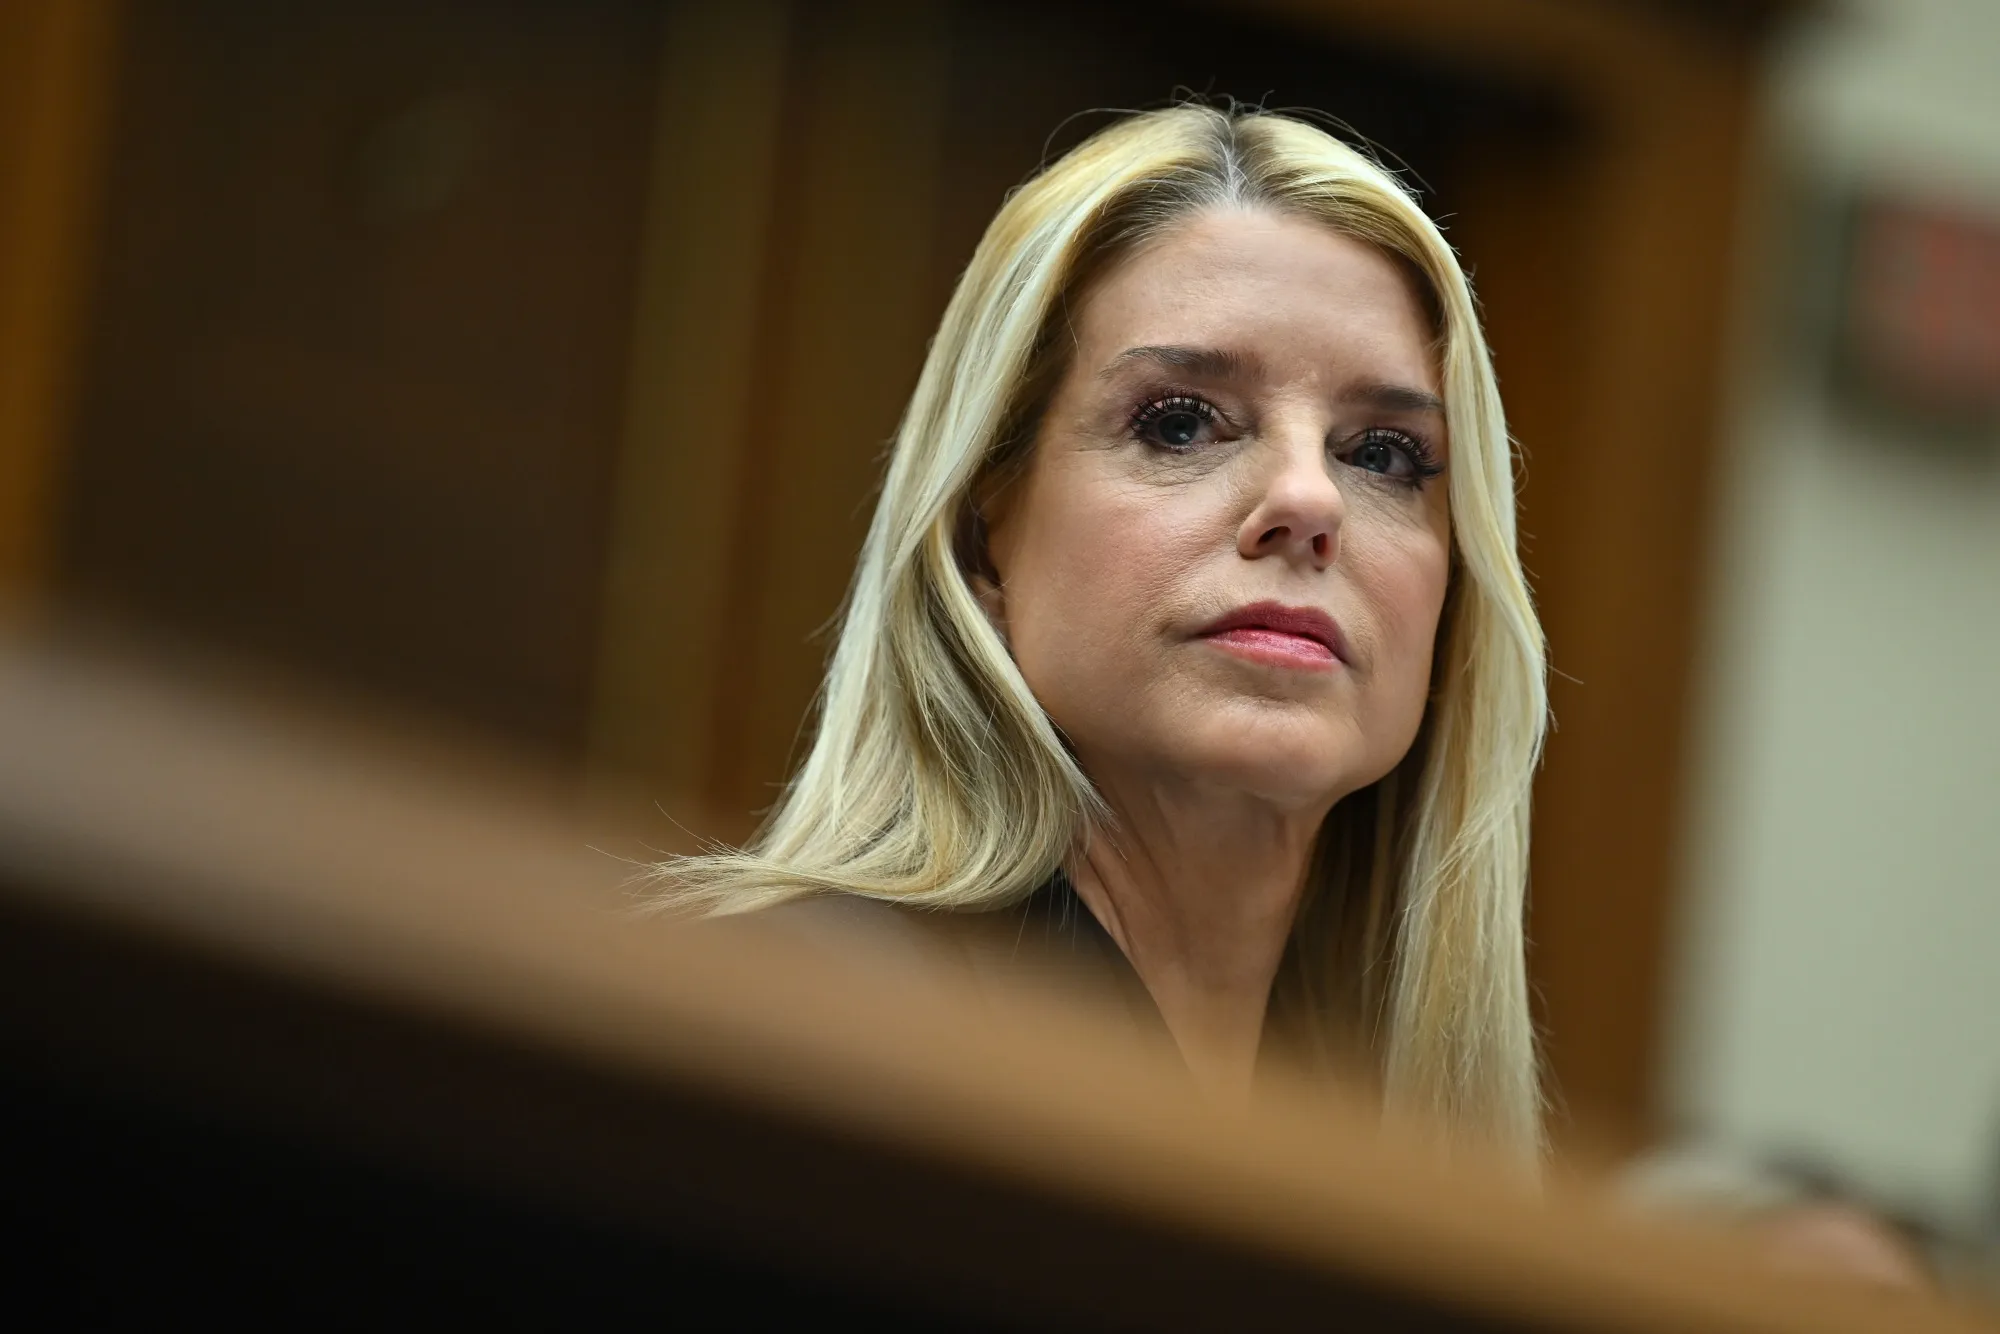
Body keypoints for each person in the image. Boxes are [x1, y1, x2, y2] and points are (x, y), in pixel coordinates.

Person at [649, 103, 1548, 1151]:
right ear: (980, 540)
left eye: (1383, 454)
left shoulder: (1395, 1143)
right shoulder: (788, 1017)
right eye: (1180, 423)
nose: (1310, 500)